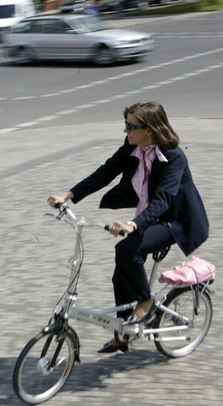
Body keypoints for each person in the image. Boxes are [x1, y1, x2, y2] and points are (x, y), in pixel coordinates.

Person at [48, 101, 209, 354]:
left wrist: (133, 224)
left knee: (127, 250)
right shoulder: (132, 147)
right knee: (121, 271)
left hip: (175, 221)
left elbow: (163, 200)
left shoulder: (174, 157)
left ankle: (146, 300)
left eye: (131, 126)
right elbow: (105, 172)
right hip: (148, 216)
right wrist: (67, 195)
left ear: (149, 129)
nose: (126, 131)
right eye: (126, 124)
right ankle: (124, 331)